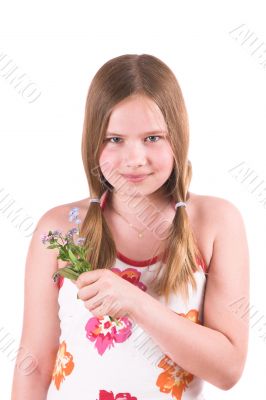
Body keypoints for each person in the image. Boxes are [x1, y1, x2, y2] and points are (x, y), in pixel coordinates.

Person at [11, 53, 249, 400]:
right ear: (94, 142)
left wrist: (135, 302)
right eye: (115, 139)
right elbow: (34, 367)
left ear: (177, 138)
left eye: (153, 138)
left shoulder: (215, 222)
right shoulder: (59, 230)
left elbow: (228, 370)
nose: (134, 159)